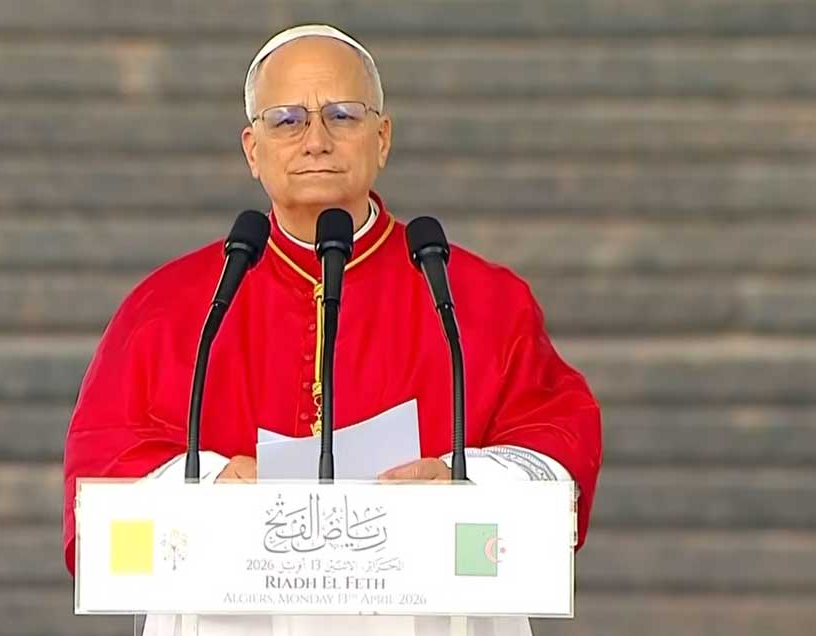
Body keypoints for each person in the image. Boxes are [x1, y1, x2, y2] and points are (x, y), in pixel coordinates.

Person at [63, 24, 602, 636]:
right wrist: (214, 481)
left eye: (342, 115)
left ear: (383, 138)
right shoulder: (172, 307)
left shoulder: (478, 299)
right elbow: (99, 479)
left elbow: (559, 446)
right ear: (252, 148)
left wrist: (461, 477)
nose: (315, 140)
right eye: (287, 120)